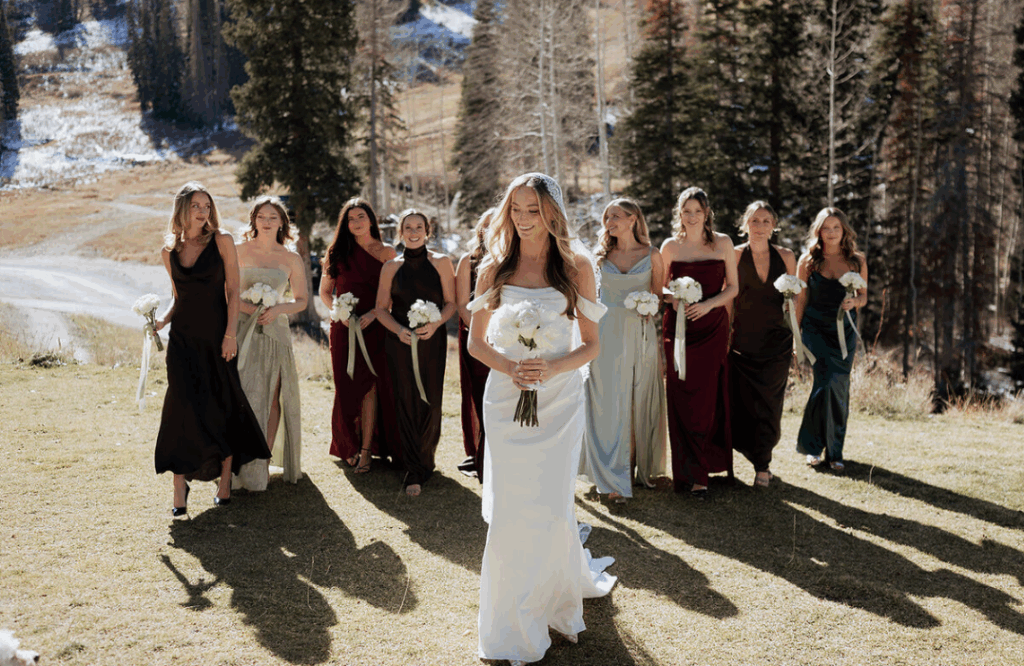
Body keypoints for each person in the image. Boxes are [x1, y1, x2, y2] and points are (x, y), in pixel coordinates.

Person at [468, 173, 616, 666]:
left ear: (552, 212)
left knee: (551, 503)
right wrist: (511, 367)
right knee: (513, 508)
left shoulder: (578, 267)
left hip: (559, 399)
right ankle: (510, 621)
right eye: (517, 209)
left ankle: (551, 600)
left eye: (534, 209)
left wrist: (552, 366)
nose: (525, 219)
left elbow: (592, 344)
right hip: (506, 400)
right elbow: (475, 343)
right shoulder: (494, 267)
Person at [153, 182, 270, 516]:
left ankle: (224, 479)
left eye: (207, 205)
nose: (203, 211)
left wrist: (231, 333)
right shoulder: (168, 251)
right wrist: (162, 320)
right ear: (182, 209)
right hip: (183, 341)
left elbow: (233, 291)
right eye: (196, 206)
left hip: (218, 336)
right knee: (179, 408)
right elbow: (178, 296)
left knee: (222, 402)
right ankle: (179, 484)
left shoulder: (222, 241)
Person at [581, 198, 667, 503]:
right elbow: (588, 298)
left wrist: (650, 308)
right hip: (605, 336)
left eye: (615, 216)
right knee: (607, 403)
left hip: (640, 336)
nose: (609, 222)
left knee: (635, 401)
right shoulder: (599, 257)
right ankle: (610, 478)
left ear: (633, 219)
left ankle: (630, 467)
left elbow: (658, 296)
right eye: (607, 217)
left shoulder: (652, 255)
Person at [661, 186, 738, 499]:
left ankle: (704, 471)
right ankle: (686, 473)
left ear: (707, 213)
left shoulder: (723, 242)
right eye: (686, 211)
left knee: (707, 400)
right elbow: (659, 288)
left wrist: (708, 305)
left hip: (711, 329)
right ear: (679, 214)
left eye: (697, 211)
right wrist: (674, 300)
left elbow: (732, 288)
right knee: (680, 394)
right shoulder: (669, 246)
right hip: (678, 330)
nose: (691, 216)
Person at [374, 210, 456, 497]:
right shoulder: (390, 267)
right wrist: (398, 330)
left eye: (418, 227)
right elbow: (380, 310)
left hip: (432, 342)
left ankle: (426, 459)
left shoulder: (442, 262)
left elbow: (451, 304)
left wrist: (434, 325)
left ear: (427, 231)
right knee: (405, 399)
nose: (413, 231)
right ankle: (413, 469)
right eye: (407, 227)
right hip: (400, 343)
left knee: (431, 401)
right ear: (400, 232)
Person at [232, 195, 306, 490]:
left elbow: (300, 301)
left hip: (274, 331)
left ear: (281, 223)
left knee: (273, 393)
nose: (266, 221)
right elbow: (227, 292)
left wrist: (276, 309)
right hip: (240, 329)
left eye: (272, 217)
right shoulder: (237, 251)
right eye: (261, 216)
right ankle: (235, 463)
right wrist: (249, 309)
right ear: (253, 220)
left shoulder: (291, 258)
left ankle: (261, 461)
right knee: (242, 393)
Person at [320, 198, 397, 473]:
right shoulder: (336, 252)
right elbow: (325, 293)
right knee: (345, 387)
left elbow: (391, 296)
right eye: (351, 219)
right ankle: (346, 445)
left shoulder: (387, 252)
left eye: (361, 216)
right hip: (343, 329)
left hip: (375, 326)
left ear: (371, 220)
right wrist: (340, 312)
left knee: (370, 387)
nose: (356, 223)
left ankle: (366, 450)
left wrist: (375, 314)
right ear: (345, 223)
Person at [728, 201, 796, 488]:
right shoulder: (732, 255)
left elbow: (795, 299)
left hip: (777, 343)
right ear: (745, 224)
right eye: (754, 220)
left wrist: (797, 338)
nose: (759, 226)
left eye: (766, 221)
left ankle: (762, 466)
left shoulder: (787, 256)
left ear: (774, 226)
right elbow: (729, 298)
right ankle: (745, 456)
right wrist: (726, 338)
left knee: (770, 405)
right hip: (742, 344)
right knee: (742, 405)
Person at [794, 207, 868, 472]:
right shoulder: (807, 260)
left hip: (844, 333)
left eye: (836, 227)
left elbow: (863, 296)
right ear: (819, 231)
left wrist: (854, 302)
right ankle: (813, 448)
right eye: (826, 228)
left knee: (838, 387)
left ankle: (835, 451)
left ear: (844, 230)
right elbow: (800, 299)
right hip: (815, 331)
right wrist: (796, 335)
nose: (832, 232)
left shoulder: (856, 260)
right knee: (825, 382)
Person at [455, 208, 495, 480]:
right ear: (480, 230)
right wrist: (483, 331)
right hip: (475, 335)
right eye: (487, 226)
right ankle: (482, 457)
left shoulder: (517, 259)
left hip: (512, 338)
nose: (492, 230)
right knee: (481, 396)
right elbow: (461, 303)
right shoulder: (468, 261)